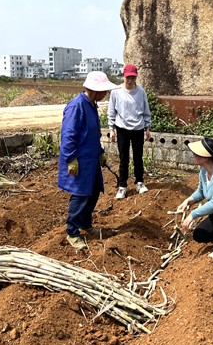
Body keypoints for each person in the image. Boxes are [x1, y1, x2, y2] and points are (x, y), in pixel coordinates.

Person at [57, 71, 118, 249]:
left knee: (93, 191)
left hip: (91, 159)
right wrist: (71, 159)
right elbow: (68, 135)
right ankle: (72, 231)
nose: (106, 94)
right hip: (79, 160)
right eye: (103, 90)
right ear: (94, 90)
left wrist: (100, 152)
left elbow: (93, 134)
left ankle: (85, 223)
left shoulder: (92, 105)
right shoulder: (77, 106)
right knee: (81, 194)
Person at [107, 64, 152, 200]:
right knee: (123, 158)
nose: (130, 80)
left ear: (136, 77)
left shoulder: (141, 92)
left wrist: (147, 128)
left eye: (133, 77)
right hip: (122, 129)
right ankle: (122, 186)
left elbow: (146, 111)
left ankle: (139, 182)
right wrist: (112, 129)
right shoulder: (116, 92)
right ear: (124, 76)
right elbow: (111, 111)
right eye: (128, 77)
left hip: (138, 128)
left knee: (138, 157)